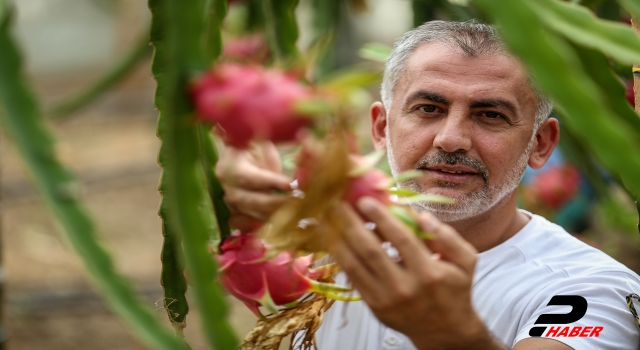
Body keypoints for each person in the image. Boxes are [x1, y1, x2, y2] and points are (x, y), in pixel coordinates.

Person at [216, 20, 640, 349]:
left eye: (490, 115)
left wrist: (452, 338)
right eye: (428, 108)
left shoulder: (588, 288)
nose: (451, 139)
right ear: (381, 127)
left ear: (540, 143)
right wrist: (223, 187)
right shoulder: (312, 236)